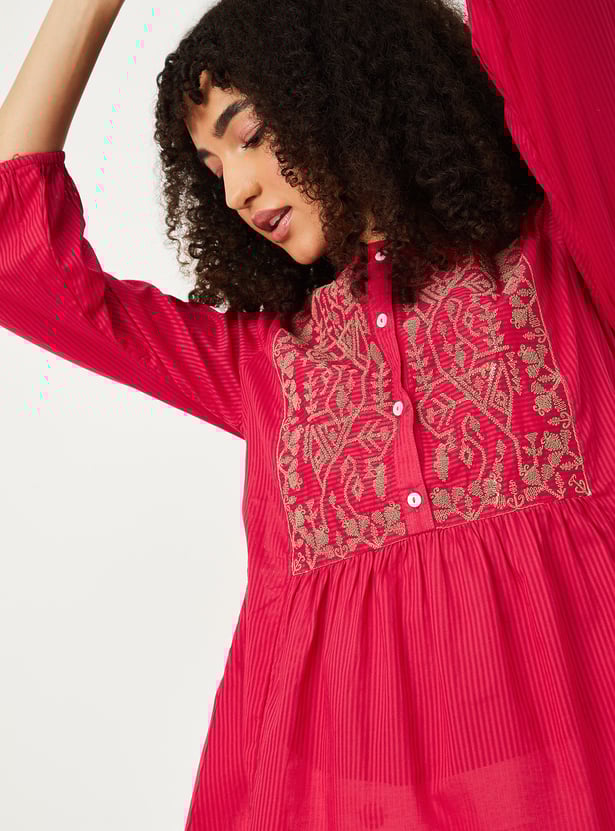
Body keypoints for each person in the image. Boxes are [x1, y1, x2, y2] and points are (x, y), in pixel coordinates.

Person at [1, 0, 613, 828]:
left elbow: (558, 34)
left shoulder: (562, 264)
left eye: (250, 135)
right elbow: (17, 261)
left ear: (343, 89)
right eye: (212, 168)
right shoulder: (267, 362)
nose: (237, 190)